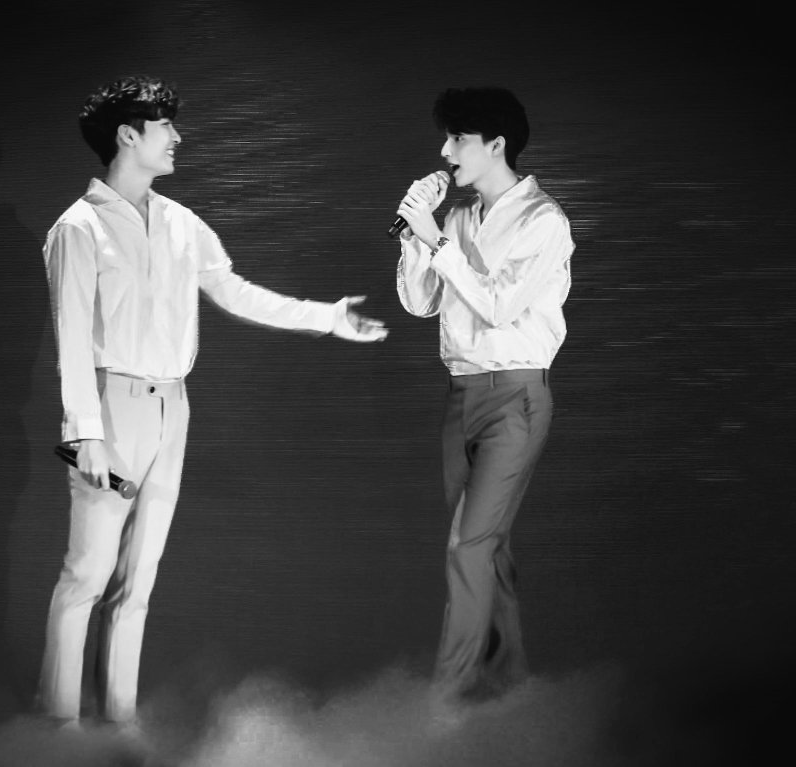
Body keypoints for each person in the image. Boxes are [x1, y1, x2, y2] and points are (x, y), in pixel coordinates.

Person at [38, 75, 388, 729]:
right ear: (128, 135)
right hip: (112, 408)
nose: (177, 137)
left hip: (173, 407)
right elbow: (71, 339)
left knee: (138, 581)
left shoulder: (181, 222)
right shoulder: (77, 228)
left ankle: (117, 725)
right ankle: (56, 732)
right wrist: (84, 433)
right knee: (86, 574)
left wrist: (327, 317)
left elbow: (236, 292)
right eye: (165, 126)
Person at [394, 86, 574, 703]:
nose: (445, 153)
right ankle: (508, 686)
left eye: (457, 139)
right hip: (461, 395)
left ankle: (446, 700)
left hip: (516, 397)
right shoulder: (458, 217)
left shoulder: (544, 220)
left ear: (496, 145)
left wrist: (436, 241)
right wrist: (414, 234)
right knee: (486, 548)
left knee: (467, 546)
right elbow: (421, 302)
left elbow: (498, 306)